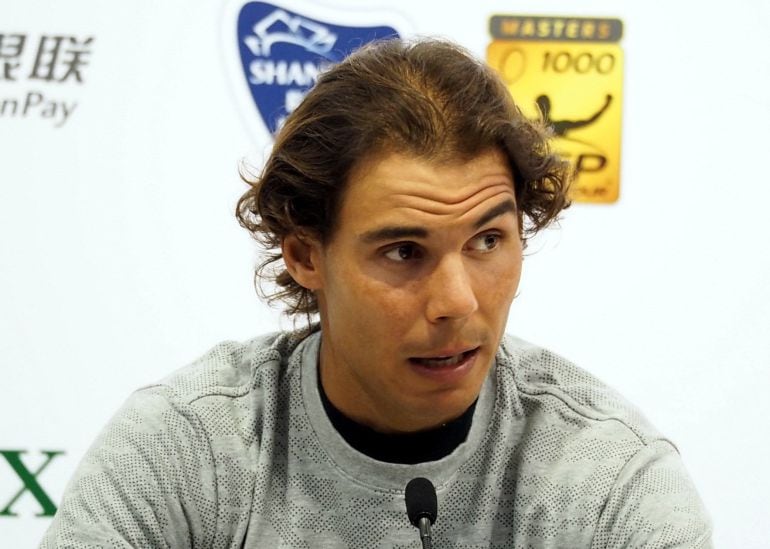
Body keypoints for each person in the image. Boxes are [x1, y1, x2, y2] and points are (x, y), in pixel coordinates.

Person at [41, 38, 712, 548]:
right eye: (403, 251)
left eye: (487, 241)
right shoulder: (189, 447)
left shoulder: (607, 476)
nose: (457, 301)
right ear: (305, 253)